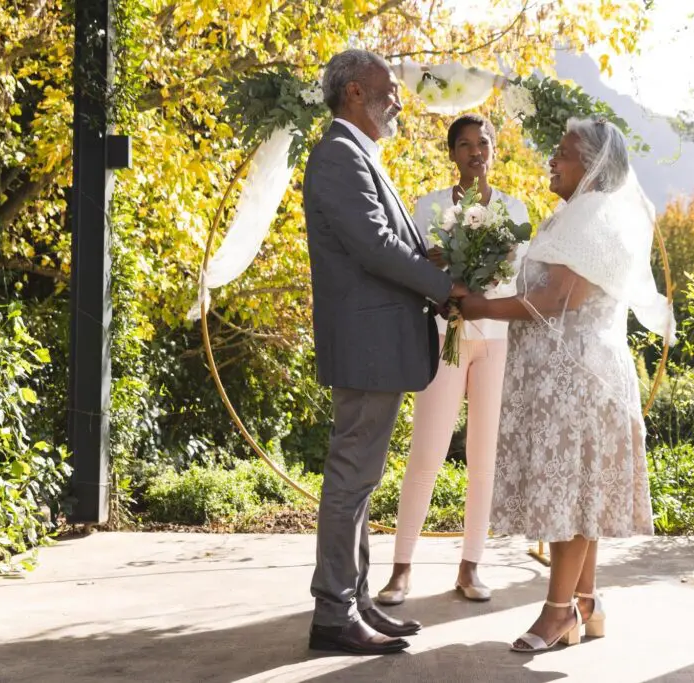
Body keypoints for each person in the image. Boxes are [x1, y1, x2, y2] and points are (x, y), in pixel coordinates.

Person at [458, 117, 675, 652]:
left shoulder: (593, 219)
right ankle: (586, 602)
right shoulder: (576, 215)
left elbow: (557, 301)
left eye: (564, 153)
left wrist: (478, 305)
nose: (552, 161)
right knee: (581, 493)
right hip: (569, 376)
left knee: (568, 495)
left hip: (577, 380)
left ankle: (558, 615)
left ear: (594, 166)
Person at [301, 48, 468, 656]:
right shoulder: (338, 156)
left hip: (377, 342)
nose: (397, 99)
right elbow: (373, 245)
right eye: (388, 88)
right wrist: (445, 287)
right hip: (368, 345)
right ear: (353, 94)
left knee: (362, 479)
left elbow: (388, 241)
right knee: (351, 477)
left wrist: (434, 261)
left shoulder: (355, 154)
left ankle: (356, 599)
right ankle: (333, 613)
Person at [376, 114, 530, 606]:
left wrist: (486, 282)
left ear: (494, 149)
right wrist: (444, 286)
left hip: (497, 340)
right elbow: (418, 272)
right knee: (427, 451)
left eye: (483, 142)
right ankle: (401, 569)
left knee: (483, 458)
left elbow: (519, 277)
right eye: (464, 144)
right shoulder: (429, 207)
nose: (474, 151)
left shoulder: (513, 208)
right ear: (452, 153)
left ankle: (470, 568)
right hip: (446, 336)